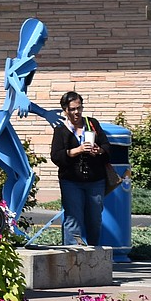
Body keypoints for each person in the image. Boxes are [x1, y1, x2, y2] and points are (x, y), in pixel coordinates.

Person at [49, 91, 112, 247]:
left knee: (94, 219)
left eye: (79, 108)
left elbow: (107, 148)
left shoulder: (92, 124)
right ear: (65, 110)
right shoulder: (61, 129)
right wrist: (77, 150)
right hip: (71, 181)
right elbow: (56, 156)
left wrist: (99, 150)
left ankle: (93, 255)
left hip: (95, 180)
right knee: (73, 219)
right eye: (72, 109)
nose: (76, 112)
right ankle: (72, 256)